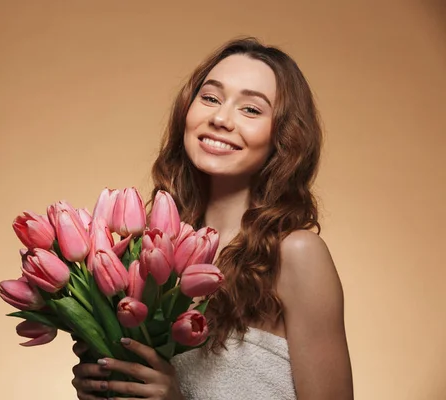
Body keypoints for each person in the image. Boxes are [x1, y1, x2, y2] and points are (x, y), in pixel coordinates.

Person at [71, 37, 354, 400]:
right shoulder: (145, 249)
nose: (220, 118)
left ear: (284, 137)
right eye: (210, 98)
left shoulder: (296, 254)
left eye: (251, 110)